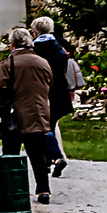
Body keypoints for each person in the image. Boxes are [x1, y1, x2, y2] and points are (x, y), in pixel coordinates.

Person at [0, 27, 58, 203]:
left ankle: (12, 189)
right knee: (37, 154)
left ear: (13, 44)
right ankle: (43, 190)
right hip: (38, 114)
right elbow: (50, 86)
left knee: (11, 153)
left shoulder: (8, 63)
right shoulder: (42, 62)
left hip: (14, 115)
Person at [31, 16, 75, 178]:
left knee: (42, 128)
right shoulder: (61, 47)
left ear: (35, 32)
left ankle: (54, 158)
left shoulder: (33, 48)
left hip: (40, 91)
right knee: (51, 124)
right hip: (59, 91)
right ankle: (52, 158)